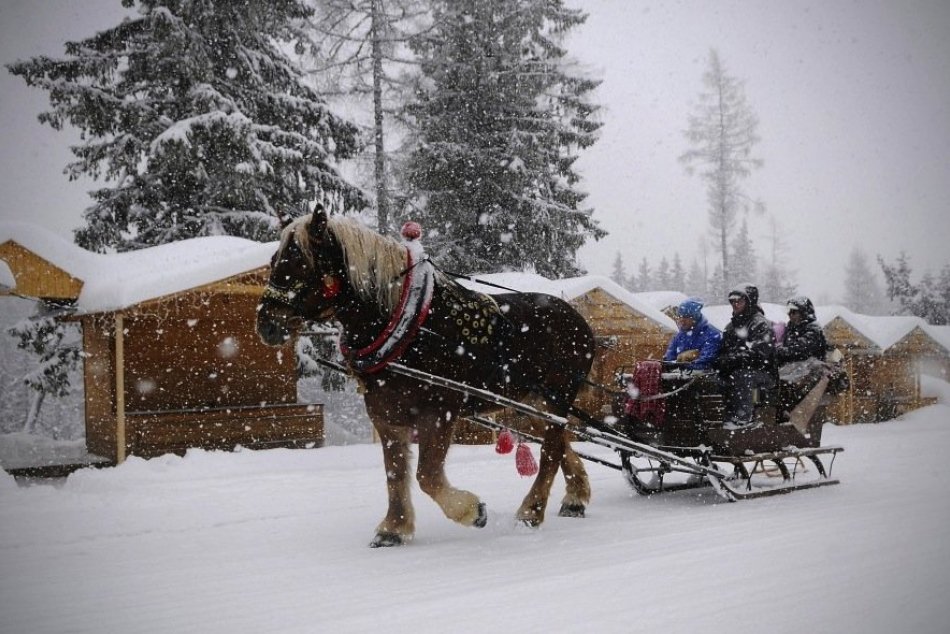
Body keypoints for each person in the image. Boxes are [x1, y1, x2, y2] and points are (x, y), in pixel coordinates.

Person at [714, 284, 777, 429]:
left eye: (739, 301)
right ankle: (716, 418)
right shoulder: (731, 326)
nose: (735, 304)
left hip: (763, 374)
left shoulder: (760, 324)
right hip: (738, 370)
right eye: (732, 301)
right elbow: (722, 351)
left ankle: (743, 419)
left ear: (749, 301)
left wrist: (733, 360)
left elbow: (760, 355)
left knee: (742, 376)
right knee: (712, 379)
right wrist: (720, 362)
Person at [776, 295, 830, 416]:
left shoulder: (813, 328)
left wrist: (780, 351)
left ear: (803, 312)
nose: (790, 315)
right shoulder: (790, 328)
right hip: (793, 369)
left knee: (787, 386)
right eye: (788, 311)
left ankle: (788, 414)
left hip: (808, 370)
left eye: (794, 311)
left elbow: (801, 350)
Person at [663, 298, 722, 371]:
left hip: (703, 378)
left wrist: (684, 365)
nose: (682, 320)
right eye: (680, 316)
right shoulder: (679, 337)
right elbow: (669, 359)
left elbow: (706, 362)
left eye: (686, 317)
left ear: (695, 317)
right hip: (679, 376)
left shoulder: (712, 335)